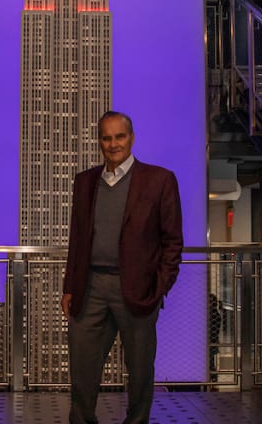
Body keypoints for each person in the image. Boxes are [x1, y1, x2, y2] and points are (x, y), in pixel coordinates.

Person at [62, 110, 183, 424]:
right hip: (90, 287)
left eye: (120, 136)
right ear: (99, 141)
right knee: (82, 366)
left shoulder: (159, 180)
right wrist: (69, 287)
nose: (113, 144)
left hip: (138, 289)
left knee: (141, 368)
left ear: (131, 137)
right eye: (106, 137)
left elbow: (172, 241)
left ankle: (137, 421)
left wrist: (159, 288)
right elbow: (77, 239)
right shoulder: (85, 182)